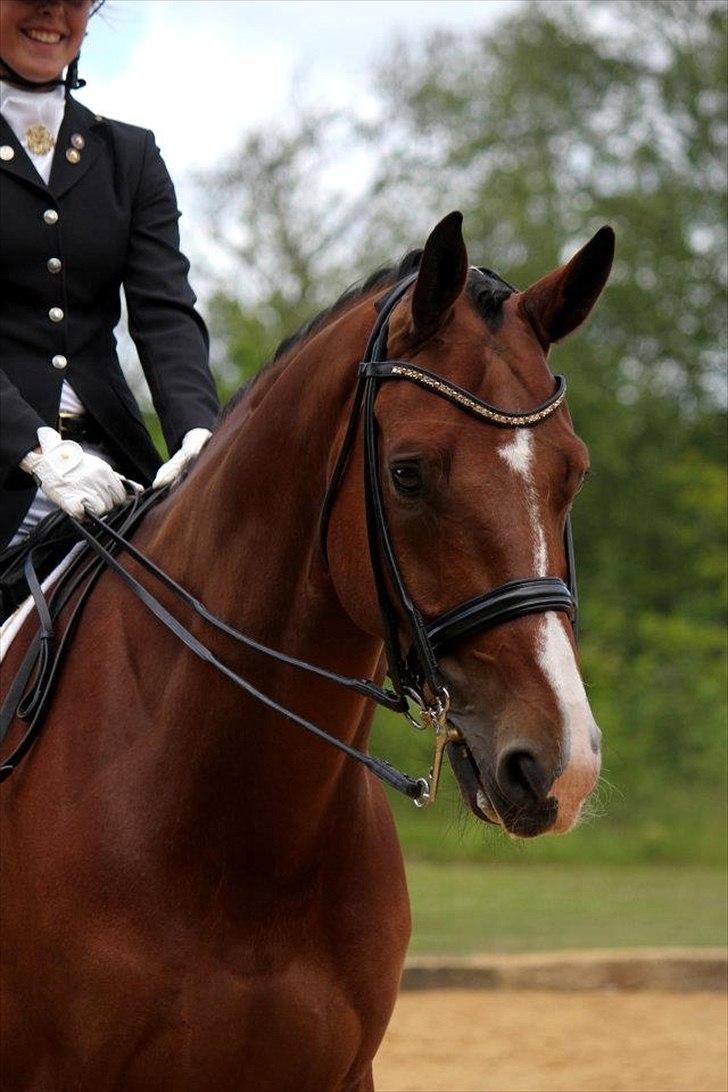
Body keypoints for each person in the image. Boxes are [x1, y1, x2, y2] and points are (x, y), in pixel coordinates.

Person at [0, 0, 220, 555]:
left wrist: (199, 432)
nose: (53, 12)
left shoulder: (130, 155)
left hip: (112, 468)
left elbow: (165, 311)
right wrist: (35, 449)